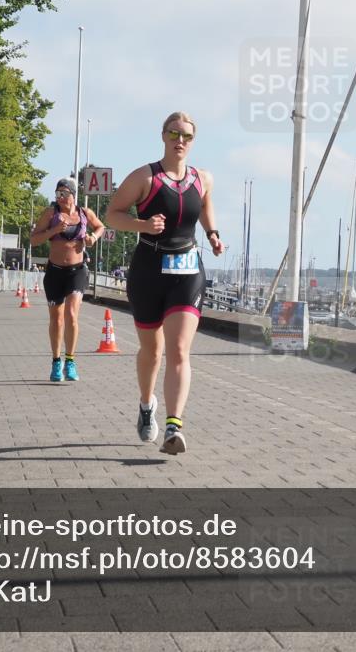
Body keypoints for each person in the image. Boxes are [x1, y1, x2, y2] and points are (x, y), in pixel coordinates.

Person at [105, 111, 224, 455]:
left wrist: (213, 235)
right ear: (163, 136)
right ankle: (146, 406)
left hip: (187, 269)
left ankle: (174, 426)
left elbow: (204, 207)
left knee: (179, 349)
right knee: (152, 351)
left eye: (187, 136)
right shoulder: (145, 177)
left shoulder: (203, 178)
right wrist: (142, 225)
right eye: (174, 134)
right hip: (148, 269)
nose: (180, 141)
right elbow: (114, 213)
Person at [30, 178, 105, 382]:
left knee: (72, 314)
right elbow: (34, 239)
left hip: (76, 271)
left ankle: (70, 361)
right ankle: (56, 361)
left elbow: (100, 227)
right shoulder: (51, 213)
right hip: (54, 272)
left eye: (64, 193)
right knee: (57, 319)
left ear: (73, 194)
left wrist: (93, 238)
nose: (60, 198)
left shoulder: (84, 213)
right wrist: (54, 230)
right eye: (57, 194)